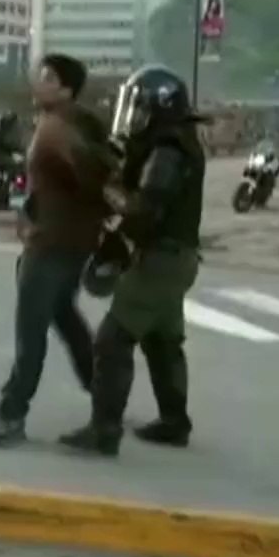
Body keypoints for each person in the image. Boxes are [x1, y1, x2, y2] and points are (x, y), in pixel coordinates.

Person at [57, 65, 207, 457]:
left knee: (112, 340)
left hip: (161, 259)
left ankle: (104, 430)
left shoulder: (167, 152)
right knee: (162, 341)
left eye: (140, 107)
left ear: (159, 109)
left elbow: (144, 210)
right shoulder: (175, 143)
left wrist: (109, 191)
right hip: (177, 259)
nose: (133, 115)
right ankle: (174, 422)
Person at [0, 54, 116, 449]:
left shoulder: (58, 130)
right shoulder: (65, 124)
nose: (38, 83)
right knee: (66, 319)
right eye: (40, 76)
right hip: (70, 241)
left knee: (31, 331)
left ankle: (11, 414)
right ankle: (106, 403)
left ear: (67, 90)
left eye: (49, 78)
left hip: (52, 245)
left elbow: (95, 178)